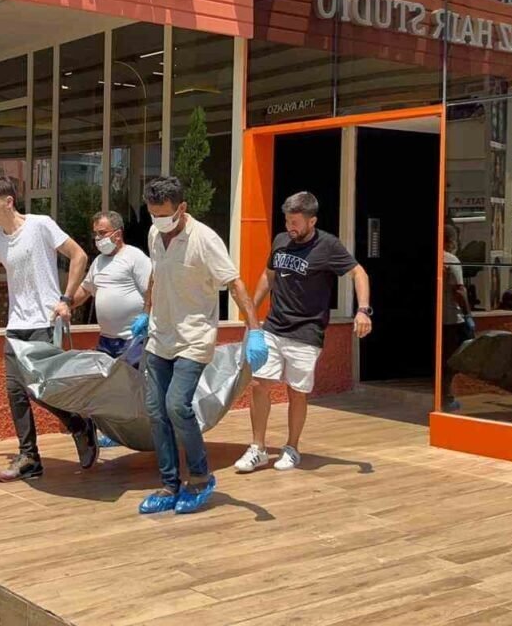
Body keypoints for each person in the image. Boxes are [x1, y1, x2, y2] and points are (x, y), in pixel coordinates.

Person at [130, 176, 269, 515]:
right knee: (156, 411)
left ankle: (200, 477)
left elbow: (235, 284)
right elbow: (155, 275)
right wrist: (146, 312)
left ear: (182, 208)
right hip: (160, 336)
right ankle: (169, 485)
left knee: (177, 405)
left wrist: (254, 330)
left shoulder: (205, 240)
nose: (158, 221)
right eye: (153, 214)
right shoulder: (154, 235)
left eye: (164, 214)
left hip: (194, 337)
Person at [0, 175, 99, 483]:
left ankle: (78, 425)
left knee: (40, 389)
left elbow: (79, 256)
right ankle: (29, 458)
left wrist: (66, 299)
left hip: (45, 323)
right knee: (15, 391)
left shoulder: (40, 225)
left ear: (9, 202)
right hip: (16, 326)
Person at [233, 192, 371, 474]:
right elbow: (268, 275)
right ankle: (258, 448)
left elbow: (359, 273)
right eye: (287, 221)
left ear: (312, 221)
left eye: (295, 222)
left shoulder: (328, 245)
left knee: (296, 392)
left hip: (307, 331)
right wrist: (251, 313)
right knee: (259, 383)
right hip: (274, 326)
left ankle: (292, 447)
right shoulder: (281, 241)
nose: (290, 227)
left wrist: (363, 310)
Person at [70, 210, 152, 359]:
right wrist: (66, 304)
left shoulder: (135, 257)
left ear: (118, 234)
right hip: (106, 341)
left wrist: (146, 316)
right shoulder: (98, 262)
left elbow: (152, 290)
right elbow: (85, 290)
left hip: (133, 339)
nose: (97, 238)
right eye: (95, 233)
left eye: (102, 233)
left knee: (131, 375)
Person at [440, 225, 475, 414]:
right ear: (450, 241)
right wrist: (468, 315)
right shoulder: (450, 259)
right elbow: (459, 291)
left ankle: (443, 395)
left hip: (440, 320)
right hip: (452, 319)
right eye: (455, 240)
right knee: (452, 361)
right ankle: (446, 396)